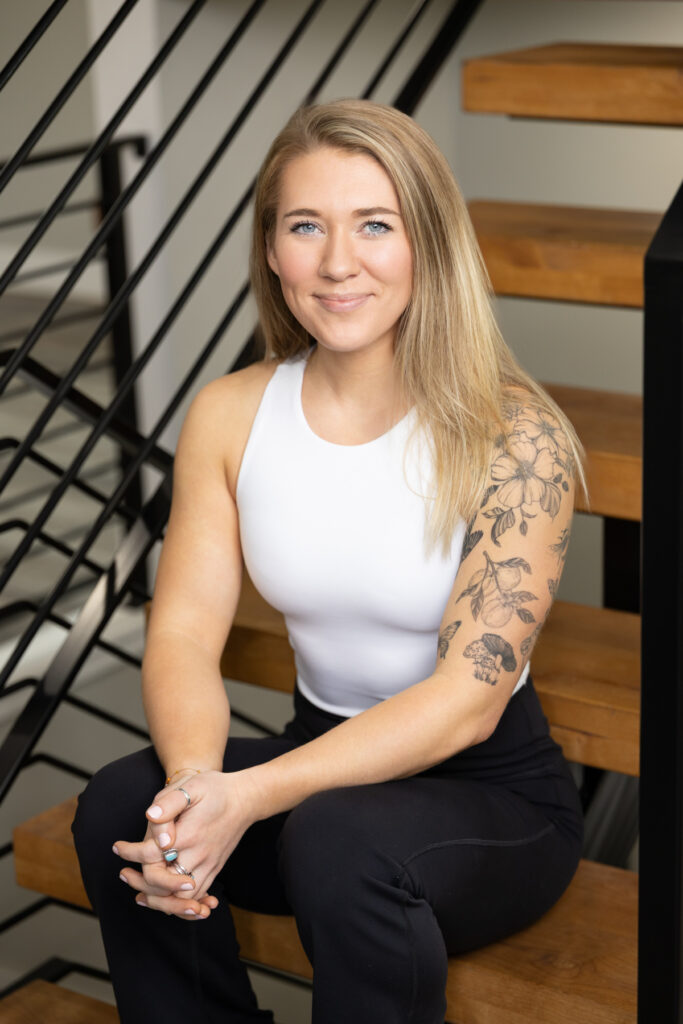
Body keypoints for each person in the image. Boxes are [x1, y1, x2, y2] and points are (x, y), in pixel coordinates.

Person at [73, 99, 585, 1024]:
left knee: (338, 835)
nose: (338, 263)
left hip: (490, 801)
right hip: (320, 769)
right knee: (123, 805)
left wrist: (250, 795)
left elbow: (466, 704)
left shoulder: (518, 436)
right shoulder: (231, 415)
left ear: (426, 242)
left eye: (375, 226)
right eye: (306, 226)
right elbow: (185, 632)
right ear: (272, 250)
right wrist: (194, 790)